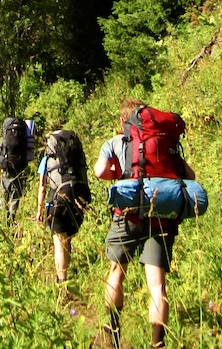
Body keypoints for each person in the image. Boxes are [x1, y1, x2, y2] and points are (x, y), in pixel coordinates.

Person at [94, 97, 197, 349]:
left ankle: (111, 335)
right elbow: (191, 176)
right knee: (157, 285)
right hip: (162, 216)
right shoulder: (163, 141)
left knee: (117, 272)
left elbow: (100, 172)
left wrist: (121, 178)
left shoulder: (116, 141)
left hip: (128, 214)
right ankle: (157, 344)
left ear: (123, 121)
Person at [32, 125, 90, 285]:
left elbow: (42, 187)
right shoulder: (75, 159)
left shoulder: (48, 159)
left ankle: (62, 281)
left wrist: (39, 210)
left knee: (59, 241)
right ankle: (66, 274)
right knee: (67, 239)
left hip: (57, 200)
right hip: (77, 196)